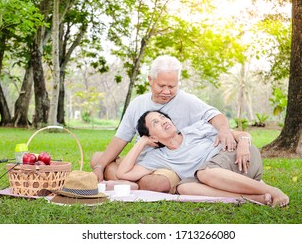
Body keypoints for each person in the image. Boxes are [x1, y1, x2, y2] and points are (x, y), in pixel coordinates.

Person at [90, 55, 237, 193]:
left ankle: (133, 184)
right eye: (161, 86)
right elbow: (120, 138)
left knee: (157, 184)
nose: (166, 91)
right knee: (98, 159)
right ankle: (130, 181)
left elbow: (214, 115)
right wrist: (100, 166)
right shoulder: (137, 104)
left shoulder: (187, 100)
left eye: (172, 87)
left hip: (167, 166)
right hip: (139, 163)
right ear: (150, 80)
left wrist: (224, 129)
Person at [117, 110, 289, 207]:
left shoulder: (197, 129)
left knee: (205, 174)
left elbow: (240, 134)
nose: (163, 121)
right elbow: (123, 173)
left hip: (238, 158)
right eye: (155, 123)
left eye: (162, 117)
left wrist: (244, 142)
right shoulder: (158, 157)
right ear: (152, 137)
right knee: (184, 188)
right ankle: (254, 197)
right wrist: (141, 143)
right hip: (216, 177)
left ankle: (273, 191)